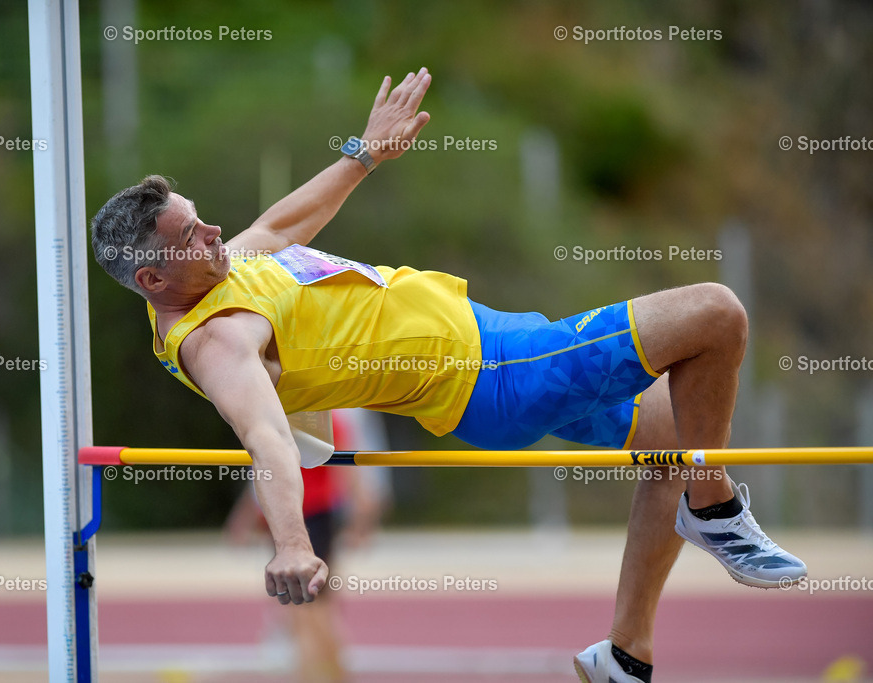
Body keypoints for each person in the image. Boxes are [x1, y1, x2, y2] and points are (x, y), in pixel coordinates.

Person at [89, 68, 806, 682]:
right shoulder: (217, 341)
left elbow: (282, 225)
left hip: (496, 338)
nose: (213, 233)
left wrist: (364, 153)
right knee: (717, 314)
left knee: (674, 434)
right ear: (152, 278)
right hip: (494, 376)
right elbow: (266, 437)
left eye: (203, 220)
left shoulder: (220, 271)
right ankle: (711, 508)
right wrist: (293, 543)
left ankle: (627, 652)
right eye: (192, 236)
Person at [225, 409, 389, 682]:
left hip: (306, 519)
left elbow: (347, 469)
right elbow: (263, 474)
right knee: (309, 609)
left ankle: (322, 673)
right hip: (300, 520)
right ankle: (325, 673)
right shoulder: (291, 416)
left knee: (307, 610)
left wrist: (362, 520)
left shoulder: (312, 417)